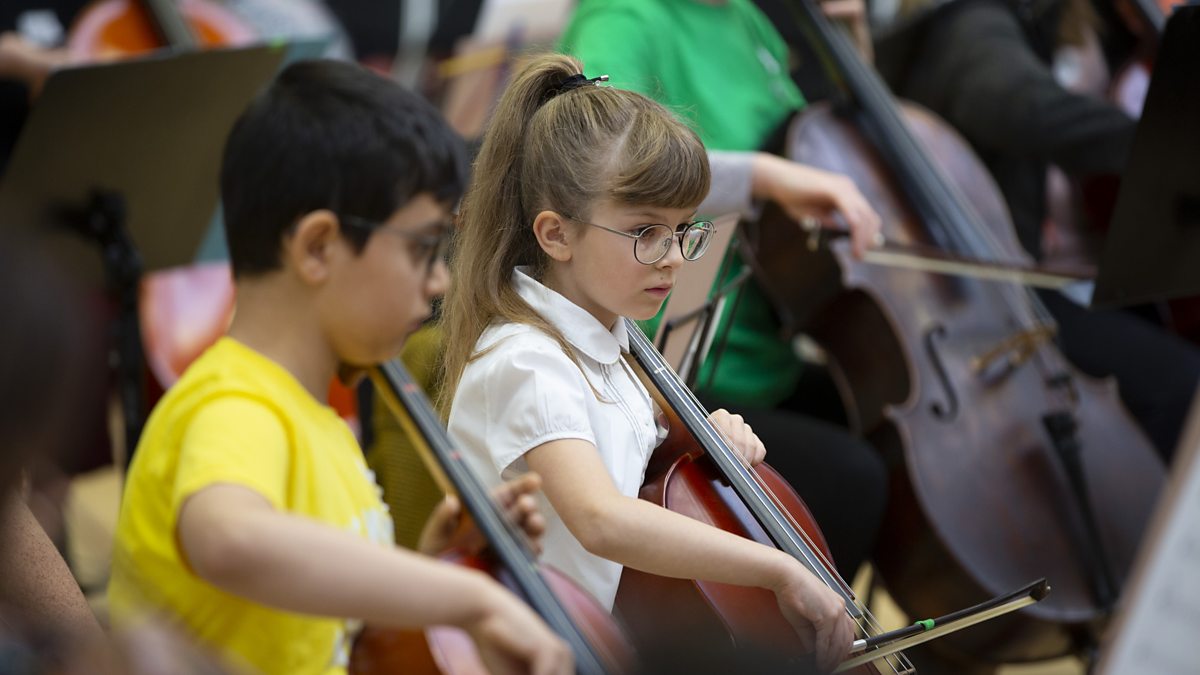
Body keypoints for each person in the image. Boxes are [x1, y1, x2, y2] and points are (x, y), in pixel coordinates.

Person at [106, 59, 573, 675]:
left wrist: (433, 562)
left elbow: (324, 632)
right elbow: (230, 539)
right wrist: (471, 599)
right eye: (424, 248)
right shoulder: (234, 406)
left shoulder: (316, 420)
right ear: (318, 247)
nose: (440, 280)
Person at [441, 53, 856, 673]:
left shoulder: (612, 337)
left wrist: (704, 432)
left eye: (684, 229)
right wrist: (780, 569)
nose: (672, 258)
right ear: (556, 234)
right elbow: (601, 518)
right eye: (645, 232)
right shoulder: (526, 360)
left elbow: (633, 461)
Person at [556, 0, 888, 581]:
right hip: (673, 365)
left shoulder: (744, 17)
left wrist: (849, 35)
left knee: (883, 421)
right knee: (852, 477)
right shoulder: (622, 20)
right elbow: (605, 166)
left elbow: (829, 140)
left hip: (766, 335)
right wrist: (761, 178)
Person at [872, 0, 1200, 462]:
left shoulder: (1070, 20)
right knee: (1178, 383)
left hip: (1076, 266)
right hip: (997, 285)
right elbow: (1021, 106)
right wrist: (1168, 147)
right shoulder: (971, 22)